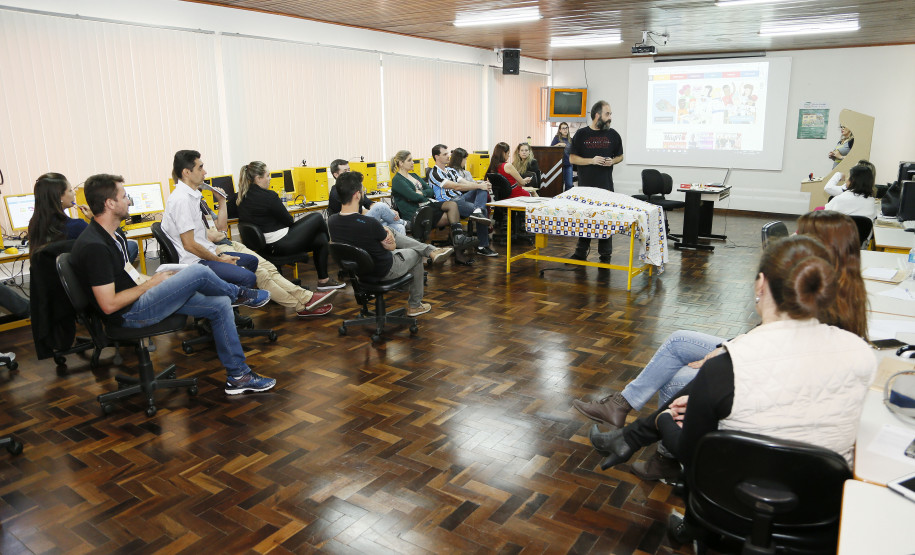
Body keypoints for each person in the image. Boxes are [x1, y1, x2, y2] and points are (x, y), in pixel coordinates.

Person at [588, 235, 875, 538]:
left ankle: (635, 444)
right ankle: (628, 437)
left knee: (679, 413)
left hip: (731, 509)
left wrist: (664, 418)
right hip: (821, 516)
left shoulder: (727, 369)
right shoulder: (862, 355)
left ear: (760, 284)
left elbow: (691, 453)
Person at [71, 173, 276, 394]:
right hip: (128, 314)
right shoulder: (95, 247)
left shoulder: (113, 235)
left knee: (219, 305)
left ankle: (238, 376)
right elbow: (109, 305)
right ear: (110, 204)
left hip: (138, 299)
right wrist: (152, 285)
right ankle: (239, 293)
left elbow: (127, 277)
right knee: (198, 270)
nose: (129, 200)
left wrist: (155, 280)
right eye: (124, 196)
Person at [328, 171, 452, 317]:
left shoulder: (332, 221)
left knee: (390, 230)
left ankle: (431, 251)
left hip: (360, 272)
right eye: (362, 190)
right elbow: (392, 247)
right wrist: (386, 238)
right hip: (384, 269)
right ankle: (415, 305)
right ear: (357, 195)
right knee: (416, 253)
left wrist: (384, 232)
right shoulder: (369, 223)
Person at [234, 161, 340, 317]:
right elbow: (288, 222)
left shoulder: (242, 195)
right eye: (267, 175)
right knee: (317, 217)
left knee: (320, 238)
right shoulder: (269, 196)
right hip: (280, 243)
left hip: (265, 247)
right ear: (258, 178)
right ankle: (335, 248)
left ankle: (324, 280)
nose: (270, 179)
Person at [162, 150, 260, 289]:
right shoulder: (181, 200)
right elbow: (189, 245)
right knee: (247, 277)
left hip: (204, 254)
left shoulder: (192, 196)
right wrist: (220, 260)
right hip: (195, 262)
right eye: (200, 168)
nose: (205, 172)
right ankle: (227, 303)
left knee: (251, 261)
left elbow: (201, 238)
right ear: (186, 173)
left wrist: (217, 252)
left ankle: (230, 298)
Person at [28, 173, 138, 260]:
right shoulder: (77, 226)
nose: (74, 194)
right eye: (70, 190)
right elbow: (106, 240)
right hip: (85, 279)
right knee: (130, 245)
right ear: (59, 197)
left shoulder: (34, 224)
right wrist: (94, 218)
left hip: (55, 282)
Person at [567, 100, 624, 264]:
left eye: (611, 114)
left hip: (606, 187)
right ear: (597, 115)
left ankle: (605, 256)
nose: (610, 117)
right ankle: (580, 253)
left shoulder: (613, 134)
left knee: (606, 220)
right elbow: (572, 158)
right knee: (585, 220)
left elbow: (620, 156)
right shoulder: (581, 134)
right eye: (608, 114)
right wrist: (592, 160)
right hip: (586, 188)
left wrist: (613, 161)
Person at [389, 150, 475, 248]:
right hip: (418, 212)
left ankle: (458, 239)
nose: (413, 162)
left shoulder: (414, 175)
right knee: (452, 217)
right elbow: (414, 197)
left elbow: (430, 191)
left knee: (452, 205)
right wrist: (422, 195)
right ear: (401, 163)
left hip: (428, 205)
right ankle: (459, 246)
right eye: (409, 160)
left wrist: (422, 193)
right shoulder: (397, 180)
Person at [436, 145, 497, 257]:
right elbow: (457, 187)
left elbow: (464, 182)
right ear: (437, 157)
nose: (448, 156)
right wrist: (478, 186)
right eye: (445, 154)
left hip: (460, 198)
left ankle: (477, 211)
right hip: (451, 203)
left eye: (448, 153)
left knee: (482, 191)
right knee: (482, 210)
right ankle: (482, 246)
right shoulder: (434, 173)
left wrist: (481, 185)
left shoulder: (451, 170)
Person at [326, 159, 404, 235]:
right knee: (380, 207)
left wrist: (388, 211)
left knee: (399, 227)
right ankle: (404, 222)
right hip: (352, 226)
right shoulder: (336, 192)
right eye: (345, 171)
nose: (349, 172)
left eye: (349, 169)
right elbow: (355, 213)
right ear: (336, 175)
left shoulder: (354, 187)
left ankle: (396, 246)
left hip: (360, 221)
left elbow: (368, 203)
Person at [550, 122, 573, 191]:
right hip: (559, 165)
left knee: (569, 184)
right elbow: (550, 149)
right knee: (559, 184)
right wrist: (558, 144)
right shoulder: (556, 138)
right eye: (563, 128)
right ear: (560, 130)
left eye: (566, 128)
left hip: (569, 164)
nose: (565, 130)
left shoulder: (571, 140)